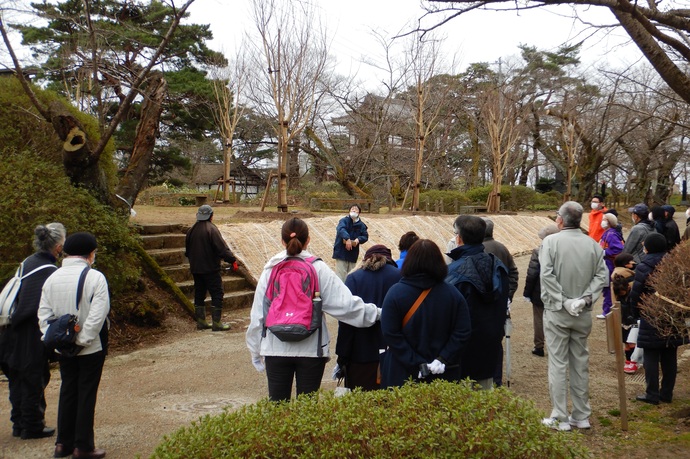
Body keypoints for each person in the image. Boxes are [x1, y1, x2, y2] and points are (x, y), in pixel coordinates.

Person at [246, 218, 381, 402]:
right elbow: (347, 307)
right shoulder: (318, 268)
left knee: (277, 411)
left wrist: (255, 351)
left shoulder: (270, 269)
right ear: (308, 240)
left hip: (275, 348)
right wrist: (379, 313)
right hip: (311, 351)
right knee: (307, 411)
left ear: (282, 241)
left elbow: (258, 315)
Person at [38, 232, 110, 459]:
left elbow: (43, 315)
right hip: (91, 347)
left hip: (62, 346)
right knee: (86, 393)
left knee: (68, 391)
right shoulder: (95, 277)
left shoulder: (52, 278)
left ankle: (62, 444)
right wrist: (83, 340)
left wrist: (56, 339)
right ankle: (83, 446)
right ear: (90, 253)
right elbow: (98, 315)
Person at [539, 201, 609, 431]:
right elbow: (602, 276)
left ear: (560, 219)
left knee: (558, 363)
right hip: (582, 312)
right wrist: (586, 299)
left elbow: (547, 276)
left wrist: (564, 300)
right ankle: (581, 415)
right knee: (580, 363)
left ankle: (560, 416)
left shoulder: (550, 242)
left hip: (558, 311)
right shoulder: (593, 245)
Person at [0, 223, 65, 440]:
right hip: (28, 332)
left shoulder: (28, 262)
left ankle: (18, 423)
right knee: (33, 378)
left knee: (17, 377)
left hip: (8, 330)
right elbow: (37, 306)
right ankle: (32, 425)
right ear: (58, 246)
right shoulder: (47, 271)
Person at [380, 239, 471, 388]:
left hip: (402, 373)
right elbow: (463, 331)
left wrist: (416, 362)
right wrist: (443, 359)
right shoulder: (453, 294)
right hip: (443, 374)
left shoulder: (395, 293)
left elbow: (390, 333)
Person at [446, 216, 509, 390]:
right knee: (483, 403)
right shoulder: (498, 267)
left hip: (461, 353)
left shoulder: (453, 272)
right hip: (490, 348)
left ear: (458, 238)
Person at [336, 245, 402, 390]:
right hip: (394, 354)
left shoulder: (354, 278)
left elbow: (346, 321)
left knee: (361, 407)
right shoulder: (400, 276)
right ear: (389, 259)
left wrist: (342, 357)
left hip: (360, 356)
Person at [630, 233, 682, 405]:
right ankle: (667, 393)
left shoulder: (644, 267)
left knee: (651, 355)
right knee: (669, 354)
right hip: (672, 314)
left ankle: (652, 394)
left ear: (648, 248)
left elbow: (636, 294)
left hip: (650, 313)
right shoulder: (675, 265)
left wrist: (635, 313)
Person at [185, 204, 237, 331]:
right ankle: (217, 323)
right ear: (211, 216)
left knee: (199, 293)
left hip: (196, 268)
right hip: (210, 268)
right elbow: (221, 249)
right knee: (217, 293)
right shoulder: (212, 229)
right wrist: (232, 260)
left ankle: (201, 322)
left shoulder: (191, 230)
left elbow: (187, 251)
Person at [481, 217, 518, 386]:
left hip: (484, 302)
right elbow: (514, 272)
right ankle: (496, 379)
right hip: (501, 302)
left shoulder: (480, 250)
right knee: (497, 341)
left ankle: (485, 377)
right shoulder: (502, 248)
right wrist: (508, 295)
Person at [522, 224, 560, 358]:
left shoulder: (538, 251)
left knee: (539, 318)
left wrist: (527, 293)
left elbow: (532, 273)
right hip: (560, 291)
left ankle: (539, 346)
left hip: (540, 290)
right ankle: (557, 346)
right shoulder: (563, 251)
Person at [611, 253, 639, 374]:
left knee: (628, 342)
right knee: (629, 341)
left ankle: (631, 361)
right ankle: (631, 361)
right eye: (631, 261)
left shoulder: (616, 276)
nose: (633, 263)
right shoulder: (628, 277)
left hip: (625, 318)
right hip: (628, 318)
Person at [597, 213, 625, 319]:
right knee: (607, 287)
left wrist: (604, 252)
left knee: (608, 288)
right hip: (607, 263)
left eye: (604, 219)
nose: (602, 221)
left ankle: (607, 311)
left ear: (609, 222)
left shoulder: (611, 234)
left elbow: (617, 249)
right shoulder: (608, 233)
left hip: (609, 263)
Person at [332, 204, 369, 281]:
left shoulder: (361, 225)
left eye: (356, 210)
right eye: (352, 209)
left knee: (351, 275)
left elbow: (365, 236)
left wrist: (358, 239)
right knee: (340, 275)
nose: (354, 211)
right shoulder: (343, 221)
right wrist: (347, 238)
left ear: (359, 213)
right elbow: (341, 229)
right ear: (349, 211)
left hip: (353, 253)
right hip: (341, 252)